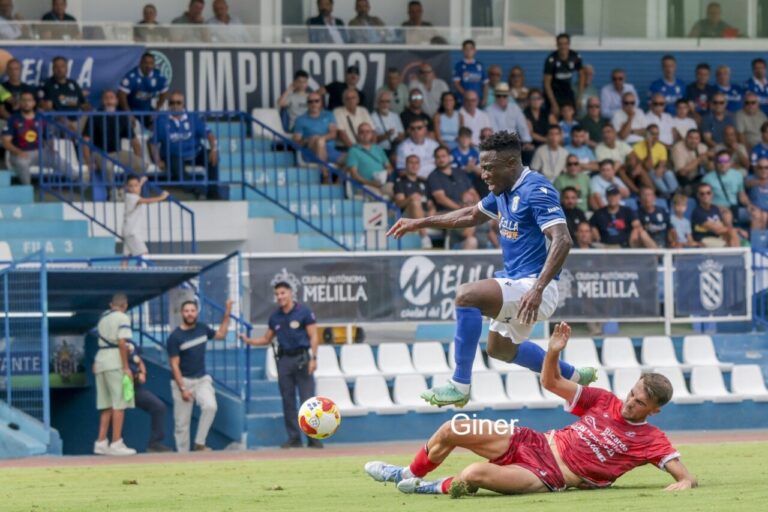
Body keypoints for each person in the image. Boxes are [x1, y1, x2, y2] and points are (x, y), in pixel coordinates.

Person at [387, 131, 597, 407]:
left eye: (488, 168)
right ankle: (573, 374)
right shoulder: (502, 190)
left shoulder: (537, 190)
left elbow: (563, 239)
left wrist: (537, 288)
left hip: (535, 289)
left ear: (510, 163)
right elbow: (470, 215)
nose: (483, 174)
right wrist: (420, 222)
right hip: (519, 286)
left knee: (466, 295)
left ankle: (459, 385)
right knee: (499, 349)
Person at [365, 322, 697, 497]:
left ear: (654, 411)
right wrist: (552, 351)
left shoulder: (651, 439)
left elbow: (684, 475)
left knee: (473, 475)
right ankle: (407, 474)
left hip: (548, 475)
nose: (629, 402)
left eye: (639, 402)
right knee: (455, 428)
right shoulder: (603, 399)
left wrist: (684, 483)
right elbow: (551, 382)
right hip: (533, 441)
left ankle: (429, 488)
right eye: (632, 393)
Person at [241, 283, 321, 449]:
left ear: (290, 293)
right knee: (288, 400)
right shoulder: (275, 317)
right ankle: (294, 438)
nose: (280, 297)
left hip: (303, 358)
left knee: (308, 401)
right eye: (277, 294)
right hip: (284, 360)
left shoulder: (303, 312)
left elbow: (313, 336)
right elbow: (266, 339)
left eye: (283, 293)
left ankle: (313, 438)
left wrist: (313, 358)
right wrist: (249, 341)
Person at [167, 299, 232, 452]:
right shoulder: (175, 337)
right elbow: (174, 365)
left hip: (202, 380)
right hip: (182, 382)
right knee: (181, 424)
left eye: (192, 310)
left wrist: (227, 312)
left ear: (197, 312)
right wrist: (182, 388)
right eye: (187, 311)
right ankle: (183, 457)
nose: (190, 314)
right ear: (182, 313)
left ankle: (199, 444)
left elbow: (221, 334)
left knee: (210, 406)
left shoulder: (202, 329)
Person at [152, 92, 222, 199]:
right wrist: (158, 160)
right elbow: (153, 143)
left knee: (212, 158)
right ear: (169, 105)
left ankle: (213, 193)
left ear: (183, 104)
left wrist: (214, 149)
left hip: (195, 153)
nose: (175, 105)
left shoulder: (192, 118)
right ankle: (196, 190)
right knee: (174, 163)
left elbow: (210, 135)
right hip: (173, 155)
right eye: (172, 103)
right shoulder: (162, 120)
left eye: (178, 103)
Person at [93, 293, 137, 456]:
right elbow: (121, 342)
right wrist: (126, 367)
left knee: (106, 404)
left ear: (111, 304)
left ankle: (101, 441)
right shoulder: (123, 318)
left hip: (100, 360)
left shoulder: (103, 317)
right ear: (125, 305)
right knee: (119, 403)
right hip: (114, 361)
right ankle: (116, 442)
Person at [82, 90, 144, 185]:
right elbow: (85, 141)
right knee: (107, 166)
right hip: (99, 153)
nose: (109, 101)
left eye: (111, 98)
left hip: (117, 153)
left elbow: (135, 142)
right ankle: (112, 193)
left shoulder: (122, 117)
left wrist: (138, 157)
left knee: (140, 164)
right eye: (106, 98)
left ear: (116, 101)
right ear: (102, 101)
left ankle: (128, 189)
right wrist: (89, 161)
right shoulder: (95, 117)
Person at [126, 339, 171, 452]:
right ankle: (113, 443)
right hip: (119, 385)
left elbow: (139, 360)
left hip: (134, 387)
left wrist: (142, 372)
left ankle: (154, 443)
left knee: (159, 407)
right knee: (114, 410)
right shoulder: (112, 343)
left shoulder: (131, 342)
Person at [2, 91, 54, 185]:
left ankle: (79, 181)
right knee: (22, 163)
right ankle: (28, 190)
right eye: (24, 100)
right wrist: (18, 151)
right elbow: (6, 142)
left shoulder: (41, 118)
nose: (26, 103)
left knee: (58, 160)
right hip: (20, 153)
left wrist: (51, 148)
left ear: (34, 103)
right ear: (20, 103)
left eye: (29, 100)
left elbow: (48, 138)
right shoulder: (13, 119)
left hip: (41, 152)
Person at [121, 175, 169, 265]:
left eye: (136, 185)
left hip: (128, 231)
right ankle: (140, 274)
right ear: (127, 187)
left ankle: (121, 276)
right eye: (130, 186)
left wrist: (142, 182)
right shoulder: (131, 197)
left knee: (126, 257)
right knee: (144, 254)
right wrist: (161, 197)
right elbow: (145, 201)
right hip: (132, 233)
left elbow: (138, 189)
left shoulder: (132, 195)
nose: (134, 188)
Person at [702, 150, 755, 227]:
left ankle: (754, 238)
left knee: (757, 215)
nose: (723, 164)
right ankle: (734, 237)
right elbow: (704, 200)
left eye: (726, 161)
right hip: (717, 209)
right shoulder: (707, 178)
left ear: (730, 163)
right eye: (720, 161)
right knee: (727, 216)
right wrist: (718, 207)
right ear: (716, 163)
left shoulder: (737, 175)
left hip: (734, 208)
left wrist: (749, 205)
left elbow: (742, 195)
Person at [37, 55, 89, 132]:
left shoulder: (73, 83)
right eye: (56, 67)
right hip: (57, 123)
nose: (59, 69)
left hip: (76, 122)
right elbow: (47, 107)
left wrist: (89, 108)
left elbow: (83, 104)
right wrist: (65, 122)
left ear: (67, 68)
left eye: (62, 66)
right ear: (53, 69)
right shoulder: (48, 84)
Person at [118, 52, 169, 128]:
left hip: (146, 110)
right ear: (140, 63)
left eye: (151, 63)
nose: (148, 66)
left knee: (158, 124)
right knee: (129, 127)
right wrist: (128, 114)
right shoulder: (131, 76)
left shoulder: (158, 76)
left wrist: (157, 109)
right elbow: (121, 95)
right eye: (146, 63)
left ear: (154, 64)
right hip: (130, 109)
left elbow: (164, 92)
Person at [394, 154, 435, 249]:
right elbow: (399, 203)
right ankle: (424, 237)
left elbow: (430, 203)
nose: (414, 165)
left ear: (419, 165)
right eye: (411, 163)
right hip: (407, 215)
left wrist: (432, 209)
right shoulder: (400, 181)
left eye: (416, 163)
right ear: (406, 165)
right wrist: (411, 198)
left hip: (424, 214)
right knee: (415, 202)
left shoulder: (424, 182)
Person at [628, 124, 676, 197]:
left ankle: (674, 192)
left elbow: (663, 162)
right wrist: (649, 148)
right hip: (644, 175)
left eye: (657, 134)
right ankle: (666, 194)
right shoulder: (637, 147)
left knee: (668, 173)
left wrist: (661, 168)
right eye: (652, 134)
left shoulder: (661, 147)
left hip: (656, 171)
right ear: (646, 135)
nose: (656, 136)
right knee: (652, 172)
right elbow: (648, 166)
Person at [543, 33, 584, 117]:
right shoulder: (551, 60)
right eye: (560, 44)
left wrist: (579, 97)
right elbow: (546, 83)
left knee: (572, 114)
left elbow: (582, 76)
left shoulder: (575, 57)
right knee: (554, 116)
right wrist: (553, 104)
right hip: (554, 92)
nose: (563, 46)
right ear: (557, 45)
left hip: (567, 90)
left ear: (569, 44)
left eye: (565, 43)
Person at [292, 92, 340, 166]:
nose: (313, 104)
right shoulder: (300, 120)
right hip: (310, 151)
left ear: (321, 102)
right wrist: (307, 140)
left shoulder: (329, 115)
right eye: (310, 101)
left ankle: (327, 176)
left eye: (316, 101)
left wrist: (321, 139)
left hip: (330, 149)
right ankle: (326, 176)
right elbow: (296, 142)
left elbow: (333, 134)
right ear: (307, 104)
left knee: (351, 160)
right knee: (318, 142)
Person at [345, 123, 392, 195]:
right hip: (364, 186)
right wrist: (371, 183)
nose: (365, 134)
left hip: (382, 184)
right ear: (358, 135)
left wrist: (387, 171)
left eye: (368, 132)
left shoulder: (378, 149)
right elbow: (354, 175)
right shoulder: (353, 151)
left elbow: (388, 166)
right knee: (377, 195)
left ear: (372, 134)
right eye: (362, 132)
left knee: (396, 189)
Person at [691, 183, 739, 247]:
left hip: (717, 237)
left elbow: (723, 226)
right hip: (703, 239)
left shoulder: (715, 208)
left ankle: (737, 254)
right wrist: (734, 230)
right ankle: (736, 254)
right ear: (698, 196)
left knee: (733, 237)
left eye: (708, 193)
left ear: (712, 194)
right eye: (702, 194)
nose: (706, 195)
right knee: (729, 239)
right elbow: (717, 230)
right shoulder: (697, 212)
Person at [485, 83, 532, 147]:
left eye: (504, 96)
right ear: (495, 96)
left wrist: (526, 141)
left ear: (508, 96)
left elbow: (522, 126)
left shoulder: (515, 108)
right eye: (499, 95)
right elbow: (493, 131)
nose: (501, 98)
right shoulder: (488, 110)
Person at [671, 128, 712, 194]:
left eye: (696, 138)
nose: (693, 141)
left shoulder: (702, 147)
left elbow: (709, 167)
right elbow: (682, 173)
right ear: (685, 138)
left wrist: (712, 159)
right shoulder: (678, 148)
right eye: (691, 138)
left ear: (699, 140)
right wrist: (699, 159)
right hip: (681, 180)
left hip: (697, 178)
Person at [453, 40, 488, 106]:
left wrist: (485, 98)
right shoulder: (459, 65)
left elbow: (485, 84)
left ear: (475, 50)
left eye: (471, 48)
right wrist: (467, 95)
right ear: (462, 50)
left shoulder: (480, 65)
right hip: (464, 101)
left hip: (478, 101)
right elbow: (456, 83)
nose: (468, 50)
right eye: (466, 48)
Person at [451, 127, 483, 195]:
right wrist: (466, 169)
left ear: (470, 139)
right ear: (458, 139)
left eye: (467, 138)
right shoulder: (453, 153)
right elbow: (452, 172)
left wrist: (473, 168)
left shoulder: (474, 152)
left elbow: (481, 172)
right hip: (459, 182)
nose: (465, 140)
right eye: (462, 137)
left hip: (474, 181)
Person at [371, 90, 404, 155]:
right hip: (380, 151)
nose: (385, 104)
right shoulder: (372, 117)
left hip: (395, 150)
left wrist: (397, 139)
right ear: (378, 103)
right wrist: (386, 135)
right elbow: (372, 140)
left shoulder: (395, 116)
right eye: (382, 102)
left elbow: (402, 134)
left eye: (387, 101)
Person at [749, 158, 768, 230]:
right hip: (755, 210)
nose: (764, 170)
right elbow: (748, 183)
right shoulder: (750, 178)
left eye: (766, 167)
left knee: (764, 215)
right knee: (758, 215)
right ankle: (756, 241)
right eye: (760, 168)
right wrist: (761, 181)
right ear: (756, 169)